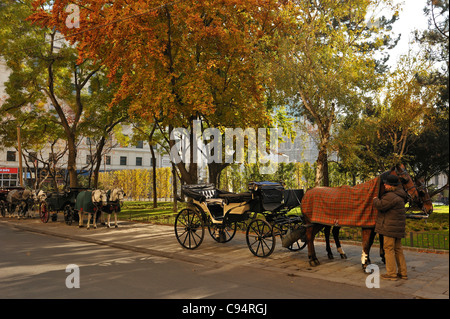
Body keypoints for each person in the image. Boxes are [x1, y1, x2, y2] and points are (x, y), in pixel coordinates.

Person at [373, 174, 408, 281]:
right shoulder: (401, 195)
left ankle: (391, 273)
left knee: (388, 249)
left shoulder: (390, 196)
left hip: (389, 228)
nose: (384, 185)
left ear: (391, 185)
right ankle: (403, 273)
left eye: (386, 184)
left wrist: (375, 199)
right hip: (398, 228)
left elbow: (381, 206)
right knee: (398, 250)